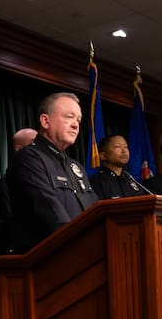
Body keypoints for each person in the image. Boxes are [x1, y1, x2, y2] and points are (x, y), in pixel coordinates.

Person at [6, 92, 98, 252]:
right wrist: (84, 247)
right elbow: (51, 214)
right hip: (53, 256)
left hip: (86, 253)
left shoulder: (76, 166)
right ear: (45, 121)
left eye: (78, 120)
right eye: (69, 117)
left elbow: (95, 211)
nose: (76, 125)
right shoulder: (28, 158)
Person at [0, 127, 38, 254]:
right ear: (18, 148)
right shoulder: (7, 182)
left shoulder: (44, 177)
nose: (38, 148)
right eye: (33, 142)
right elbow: (9, 220)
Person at [89, 134, 149, 199]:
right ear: (103, 156)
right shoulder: (97, 183)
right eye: (117, 147)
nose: (124, 151)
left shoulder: (130, 180)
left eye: (126, 147)